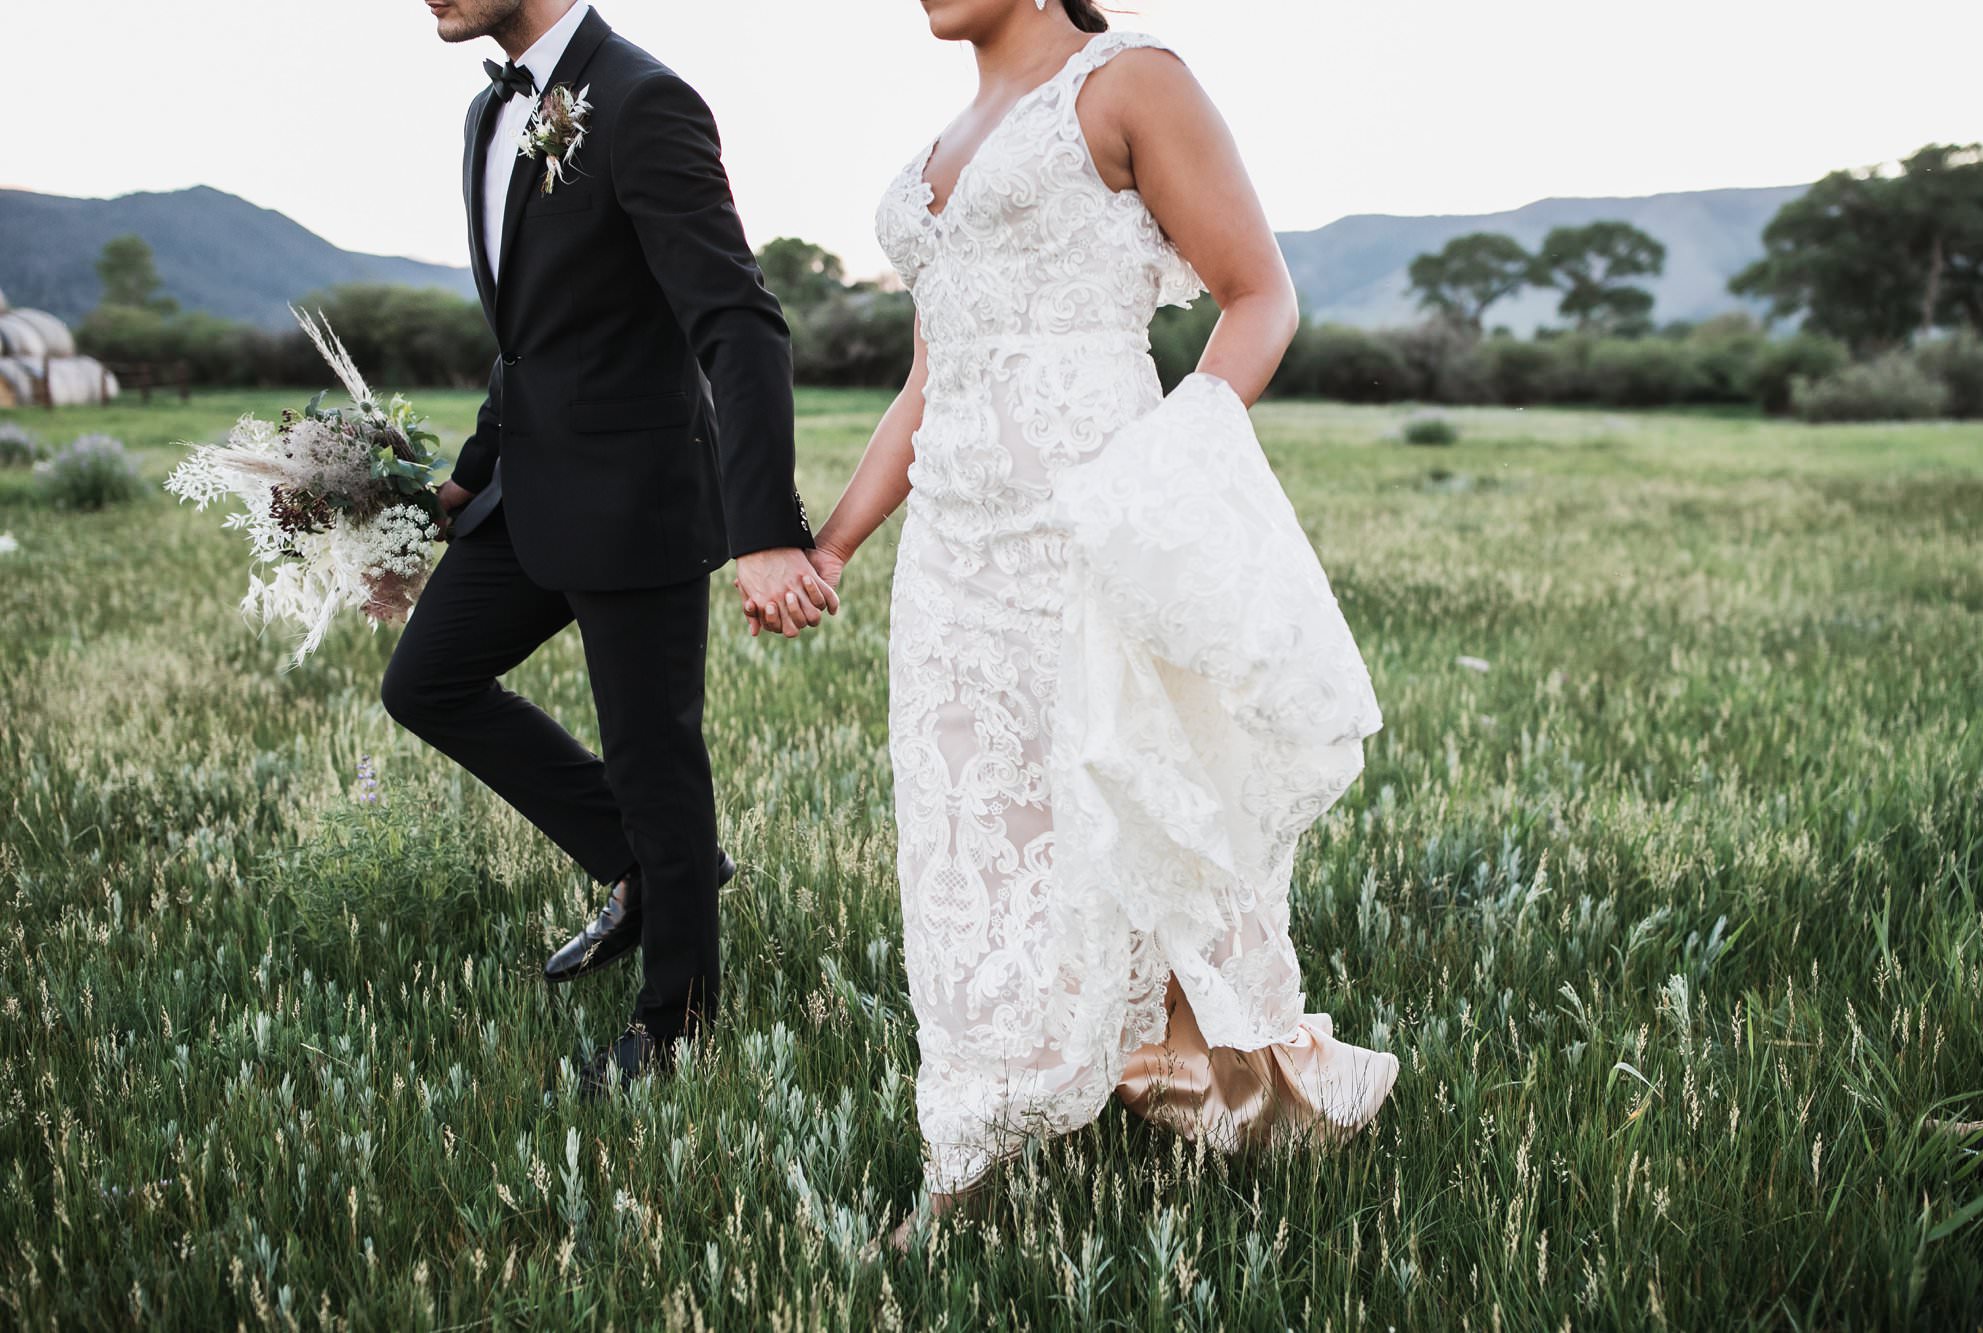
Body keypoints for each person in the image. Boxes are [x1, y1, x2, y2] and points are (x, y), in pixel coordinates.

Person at [783, 0, 1401, 1247]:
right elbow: (927, 379)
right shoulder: (938, 150)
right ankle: (976, 1131)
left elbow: (1258, 298)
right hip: (954, 561)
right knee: (967, 841)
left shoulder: (1127, 82)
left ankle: (1192, 1072)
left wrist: (1160, 480)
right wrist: (834, 542)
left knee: (1129, 801)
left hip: (1094, 528)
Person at [385, 0, 837, 1096]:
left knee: (655, 759)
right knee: (426, 681)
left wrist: (766, 529)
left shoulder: (642, 101)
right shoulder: (491, 116)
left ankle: (672, 1029)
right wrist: (468, 471)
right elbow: (531, 337)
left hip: (638, 497)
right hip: (528, 490)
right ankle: (646, 867)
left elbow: (735, 319)